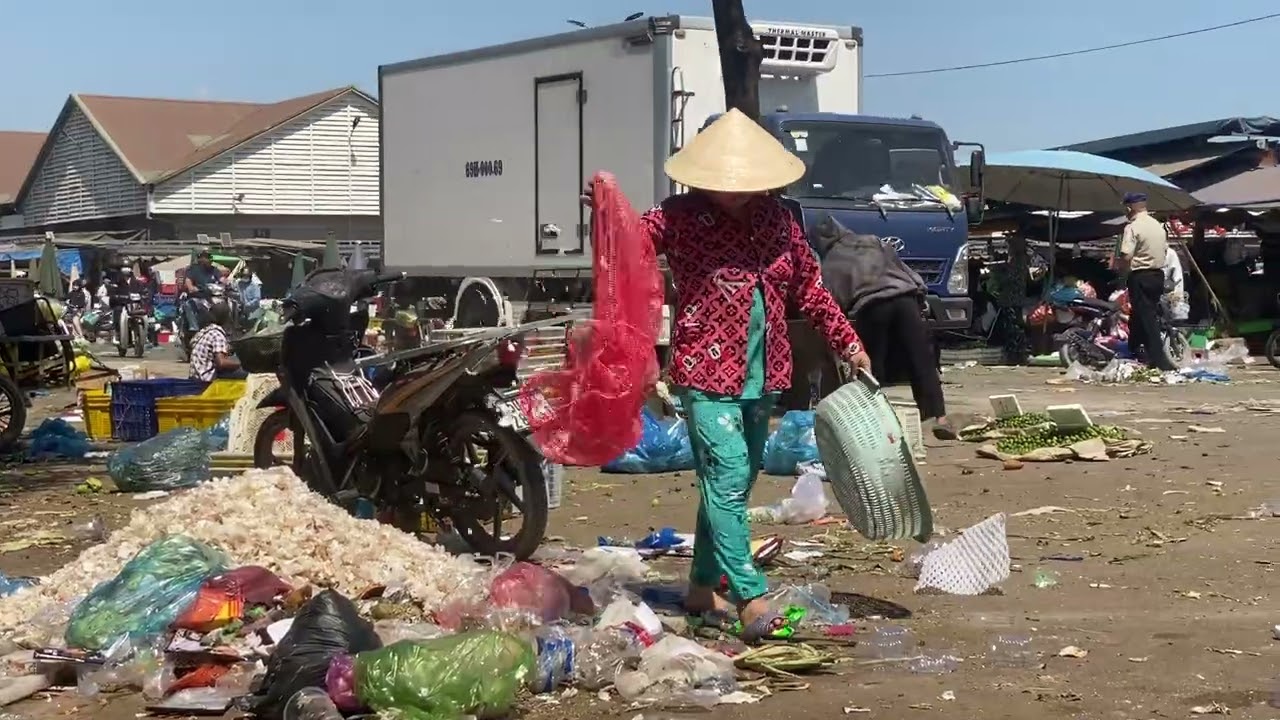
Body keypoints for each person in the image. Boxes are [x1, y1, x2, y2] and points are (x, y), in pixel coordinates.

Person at [591, 109, 870, 643]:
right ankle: (749, 595)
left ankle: (701, 587)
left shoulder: (780, 222)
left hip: (764, 375)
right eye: (725, 182)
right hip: (704, 370)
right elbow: (627, 249)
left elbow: (810, 290)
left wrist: (849, 343)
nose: (735, 192)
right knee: (728, 472)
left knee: (733, 482)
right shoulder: (677, 216)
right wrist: (607, 212)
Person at [813, 217, 958, 439]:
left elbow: (832, 302)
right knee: (921, 361)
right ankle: (939, 418)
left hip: (870, 307)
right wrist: (919, 296)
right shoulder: (872, 241)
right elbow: (904, 270)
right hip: (905, 299)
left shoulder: (830, 261)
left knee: (871, 368)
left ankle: (873, 423)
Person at [1112, 192, 1174, 370]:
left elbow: (1126, 255)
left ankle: (1160, 360)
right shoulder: (1157, 226)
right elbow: (1164, 251)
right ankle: (1134, 348)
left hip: (1141, 276)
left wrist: (1119, 268)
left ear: (1129, 208)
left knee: (1147, 318)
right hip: (1157, 276)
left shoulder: (1132, 227)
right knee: (1139, 315)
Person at [188, 302, 245, 381]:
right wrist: (242, 365)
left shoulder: (206, 330)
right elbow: (221, 363)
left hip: (196, 375)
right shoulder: (217, 334)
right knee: (247, 373)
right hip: (206, 378)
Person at [183, 250, 221, 332]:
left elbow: (222, 279)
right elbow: (188, 282)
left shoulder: (214, 270)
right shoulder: (193, 269)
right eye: (206, 257)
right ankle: (194, 328)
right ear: (201, 259)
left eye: (209, 257)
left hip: (212, 297)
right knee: (188, 304)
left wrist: (227, 282)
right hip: (198, 297)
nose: (209, 259)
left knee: (230, 303)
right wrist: (192, 287)